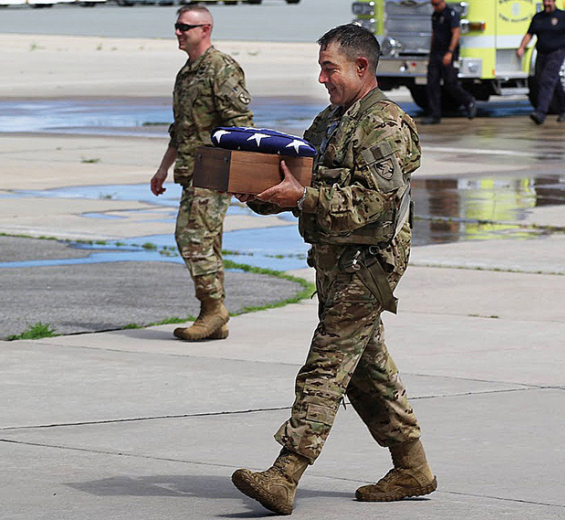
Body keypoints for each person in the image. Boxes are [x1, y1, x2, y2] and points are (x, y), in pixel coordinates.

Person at [230, 24, 436, 515]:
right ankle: (412, 468)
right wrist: (259, 195)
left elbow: (374, 203)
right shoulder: (329, 122)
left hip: (368, 266)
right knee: (366, 370)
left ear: (361, 67)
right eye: (321, 68)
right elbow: (301, 184)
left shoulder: (385, 125)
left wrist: (303, 197)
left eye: (330, 68)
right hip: (333, 262)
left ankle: (286, 473)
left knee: (326, 364)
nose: (322, 78)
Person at [150, 5, 254, 341]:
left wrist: (240, 175)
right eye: (177, 26)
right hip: (190, 170)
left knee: (191, 238)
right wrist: (163, 168)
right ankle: (213, 318)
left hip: (214, 171)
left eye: (185, 27)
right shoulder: (187, 73)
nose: (178, 32)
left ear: (205, 29)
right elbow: (180, 128)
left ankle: (213, 308)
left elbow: (241, 125)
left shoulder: (221, 68)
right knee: (207, 242)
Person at [516, 0, 565, 124]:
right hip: (542, 54)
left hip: (557, 53)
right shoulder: (538, 18)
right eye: (545, 1)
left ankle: (540, 113)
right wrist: (521, 47)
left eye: (549, 1)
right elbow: (529, 34)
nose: (547, 3)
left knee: (547, 81)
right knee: (554, 81)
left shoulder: (563, 17)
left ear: (554, 2)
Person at [422, 0, 479, 125]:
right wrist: (431, 53)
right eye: (433, 5)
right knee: (432, 84)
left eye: (436, 4)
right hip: (436, 53)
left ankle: (469, 101)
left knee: (451, 83)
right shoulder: (435, 15)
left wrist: (450, 52)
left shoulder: (451, 14)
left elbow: (456, 34)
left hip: (448, 53)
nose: (435, 7)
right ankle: (434, 114)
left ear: (443, 2)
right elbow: (434, 34)